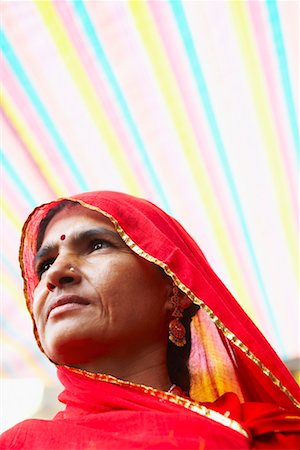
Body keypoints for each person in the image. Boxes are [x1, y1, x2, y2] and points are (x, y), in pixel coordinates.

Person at [1, 190, 299, 449]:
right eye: (45, 265)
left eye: (97, 245)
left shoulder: (270, 435)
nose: (54, 274)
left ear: (176, 289)